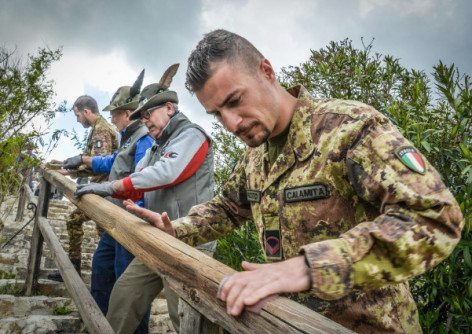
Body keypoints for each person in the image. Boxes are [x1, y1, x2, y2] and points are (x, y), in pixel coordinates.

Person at [130, 29, 464, 333]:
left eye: (234, 101)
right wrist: (179, 229)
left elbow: (435, 216)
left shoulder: (349, 129)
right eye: (217, 114)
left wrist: (306, 268)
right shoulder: (255, 157)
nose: (231, 123)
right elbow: (227, 209)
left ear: (267, 71)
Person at [75, 64, 215, 334]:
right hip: (158, 238)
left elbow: (165, 174)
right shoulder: (155, 145)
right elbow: (139, 179)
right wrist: (114, 190)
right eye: (141, 115)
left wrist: (108, 188)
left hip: (189, 242)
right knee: (124, 298)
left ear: (170, 109)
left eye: (148, 114)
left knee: (184, 318)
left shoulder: (193, 135)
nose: (145, 120)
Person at [73, 71, 155, 328]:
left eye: (115, 113)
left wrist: (136, 213)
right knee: (101, 269)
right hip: (114, 221)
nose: (111, 118)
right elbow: (113, 160)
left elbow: (145, 179)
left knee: (128, 288)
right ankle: (99, 324)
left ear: (128, 113)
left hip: (129, 222)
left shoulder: (144, 138)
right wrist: (85, 160)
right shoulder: (128, 137)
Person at [54, 95, 118, 277]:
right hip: (100, 190)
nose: (77, 119)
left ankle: (79, 268)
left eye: (78, 115)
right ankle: (104, 273)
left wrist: (72, 170)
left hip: (102, 192)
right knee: (103, 234)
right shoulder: (99, 128)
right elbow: (92, 162)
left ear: (86, 111)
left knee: (80, 223)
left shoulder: (101, 131)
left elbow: (100, 164)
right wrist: (68, 168)